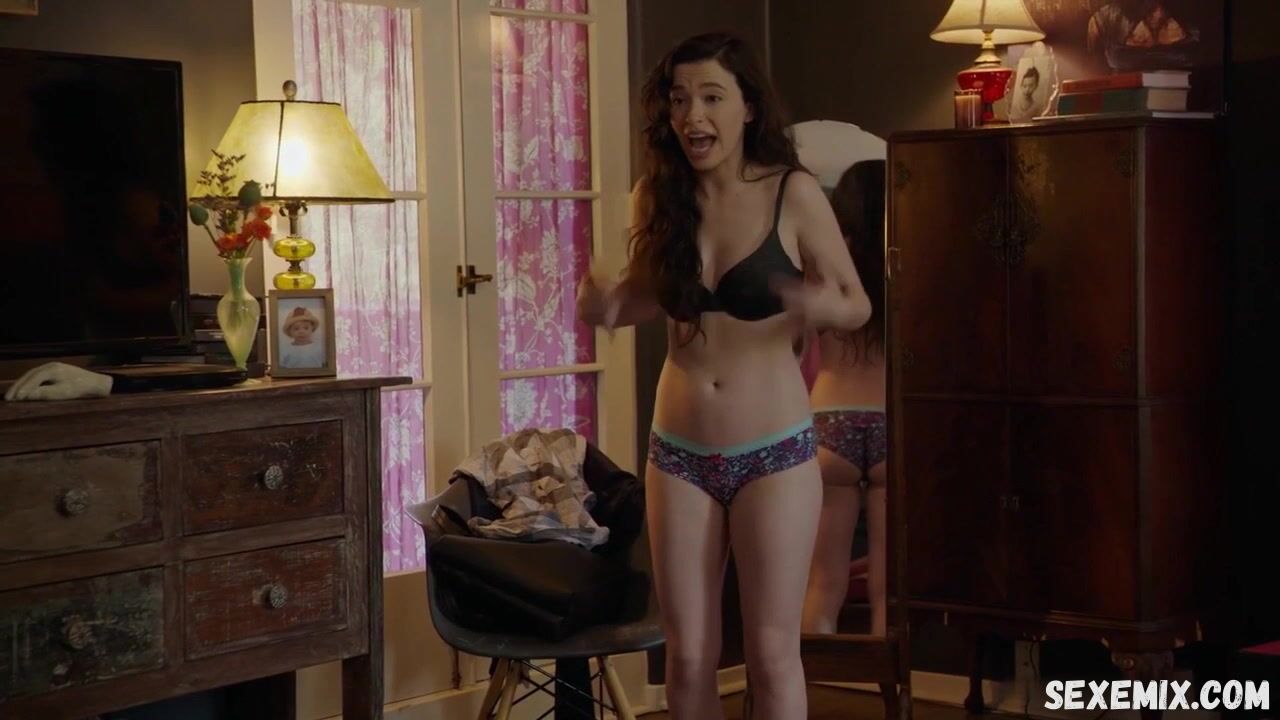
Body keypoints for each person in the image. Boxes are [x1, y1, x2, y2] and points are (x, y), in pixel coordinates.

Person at [576, 32, 871, 720]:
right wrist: (609, 306)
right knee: (687, 655)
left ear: (748, 108)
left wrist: (819, 305)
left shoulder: (792, 193)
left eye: (711, 97)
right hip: (677, 453)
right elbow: (649, 297)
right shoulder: (657, 196)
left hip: (774, 453)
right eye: (680, 100)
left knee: (771, 655)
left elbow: (855, 303)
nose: (693, 116)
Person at [799, 160, 888, 637]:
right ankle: (889, 680)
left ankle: (811, 680)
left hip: (829, 421)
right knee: (888, 588)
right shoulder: (908, 264)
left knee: (822, 582)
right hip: (892, 419)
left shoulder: (824, 268)